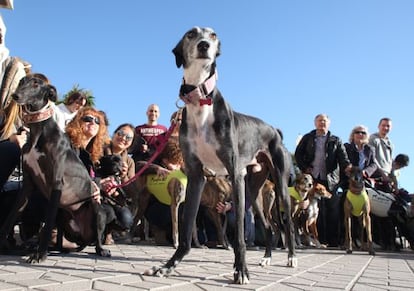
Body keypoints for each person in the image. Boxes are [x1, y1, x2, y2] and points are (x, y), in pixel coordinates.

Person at [66, 107, 130, 244]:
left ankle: (95, 235)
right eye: (88, 119)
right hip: (70, 198)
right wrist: (98, 183)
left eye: (97, 121)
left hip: (93, 197)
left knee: (114, 215)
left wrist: (113, 183)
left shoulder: (93, 152)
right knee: (105, 213)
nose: (93, 123)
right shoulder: (68, 145)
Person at [295, 113, 351, 247]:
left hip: (330, 179)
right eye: (319, 121)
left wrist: (348, 167)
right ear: (315, 123)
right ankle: (317, 240)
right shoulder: (308, 138)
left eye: (324, 121)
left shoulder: (335, 140)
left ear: (329, 123)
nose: (322, 123)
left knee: (332, 210)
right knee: (313, 209)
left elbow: (343, 157)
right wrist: (304, 167)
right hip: (312, 178)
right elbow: (298, 154)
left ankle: (333, 241)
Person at [102, 123, 137, 244]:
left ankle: (109, 232)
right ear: (114, 133)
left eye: (128, 137)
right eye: (121, 133)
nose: (123, 138)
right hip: (98, 196)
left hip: (116, 200)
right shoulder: (99, 149)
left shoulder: (130, 161)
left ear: (131, 142)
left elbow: (132, 192)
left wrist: (124, 176)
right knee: (107, 214)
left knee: (126, 220)